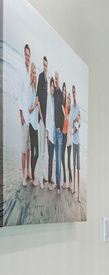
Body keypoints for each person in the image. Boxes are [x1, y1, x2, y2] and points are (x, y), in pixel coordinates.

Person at [20, 45, 32, 186]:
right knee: (23, 149)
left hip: (31, 119)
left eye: (29, 55)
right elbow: (19, 95)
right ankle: (23, 175)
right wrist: (21, 115)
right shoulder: (21, 72)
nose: (27, 57)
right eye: (26, 54)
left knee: (28, 148)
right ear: (24, 55)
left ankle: (28, 170)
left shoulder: (30, 74)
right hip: (24, 118)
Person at [36, 56, 49, 187]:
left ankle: (43, 174)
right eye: (43, 64)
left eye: (46, 65)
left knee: (44, 149)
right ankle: (40, 179)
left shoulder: (47, 80)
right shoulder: (40, 77)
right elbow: (38, 98)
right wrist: (41, 116)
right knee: (40, 148)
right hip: (41, 119)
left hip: (47, 121)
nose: (45, 67)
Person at [27, 63, 40, 187]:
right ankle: (33, 177)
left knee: (37, 152)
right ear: (31, 74)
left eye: (36, 73)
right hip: (31, 125)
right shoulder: (31, 89)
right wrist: (35, 104)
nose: (35, 75)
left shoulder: (36, 89)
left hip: (36, 125)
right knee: (34, 151)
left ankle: (32, 173)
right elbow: (29, 109)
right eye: (33, 73)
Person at [52, 73, 64, 191]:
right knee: (55, 157)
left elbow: (63, 113)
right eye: (55, 78)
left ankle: (59, 186)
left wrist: (60, 127)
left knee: (59, 159)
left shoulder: (60, 94)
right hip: (53, 130)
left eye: (57, 78)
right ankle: (57, 182)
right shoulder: (54, 93)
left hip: (59, 132)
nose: (56, 80)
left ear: (58, 80)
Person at [70, 85, 81, 201]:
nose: (73, 94)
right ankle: (73, 187)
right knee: (73, 165)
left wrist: (77, 122)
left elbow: (79, 124)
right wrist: (75, 121)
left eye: (74, 92)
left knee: (78, 167)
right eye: (72, 92)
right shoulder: (72, 109)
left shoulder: (78, 107)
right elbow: (72, 123)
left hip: (77, 142)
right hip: (72, 141)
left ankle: (78, 192)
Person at [45, 77, 56, 190]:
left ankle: (51, 177)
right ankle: (49, 181)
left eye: (53, 86)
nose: (52, 88)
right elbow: (48, 117)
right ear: (50, 87)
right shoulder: (48, 98)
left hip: (54, 133)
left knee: (52, 158)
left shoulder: (54, 99)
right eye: (51, 86)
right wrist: (47, 134)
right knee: (50, 157)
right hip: (49, 133)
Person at [61, 82, 70, 189]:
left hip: (65, 134)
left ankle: (64, 181)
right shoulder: (61, 102)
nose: (63, 92)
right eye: (62, 90)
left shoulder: (66, 105)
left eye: (64, 90)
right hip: (61, 132)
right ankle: (63, 180)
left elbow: (67, 118)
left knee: (63, 157)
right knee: (61, 157)